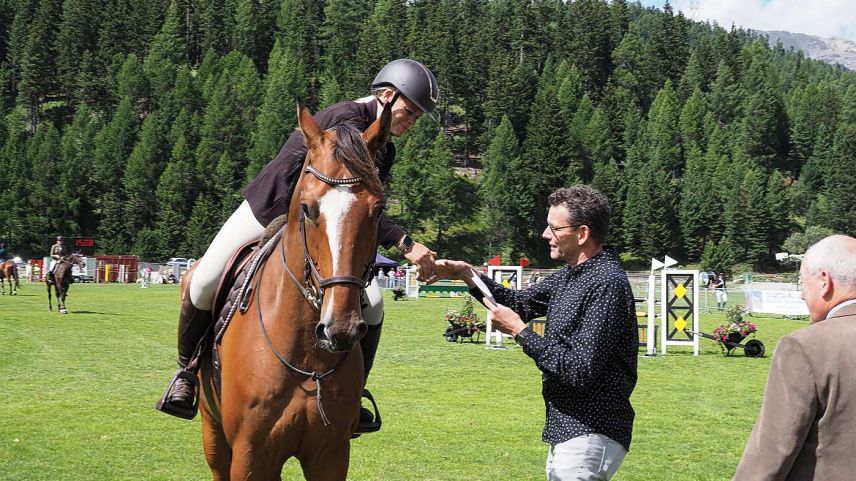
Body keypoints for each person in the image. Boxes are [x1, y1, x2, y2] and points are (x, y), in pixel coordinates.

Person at [158, 58, 441, 433]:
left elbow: (359, 206)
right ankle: (187, 373)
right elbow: (336, 193)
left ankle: (354, 393)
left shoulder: (382, 143)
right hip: (271, 207)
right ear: (387, 96)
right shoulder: (345, 121)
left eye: (419, 115)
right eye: (410, 110)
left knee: (372, 304)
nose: (413, 119)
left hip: (322, 228)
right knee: (204, 279)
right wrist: (405, 242)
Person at [435, 185, 638, 481]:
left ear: (582, 234)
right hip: (569, 428)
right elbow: (519, 303)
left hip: (592, 428)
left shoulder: (607, 284)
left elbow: (578, 369)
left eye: (554, 228)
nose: (545, 235)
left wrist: (520, 332)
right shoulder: (571, 275)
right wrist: (468, 275)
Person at [733, 235, 856, 480]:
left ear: (824, 281)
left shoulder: (805, 346)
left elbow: (771, 453)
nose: (801, 295)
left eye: (802, 283)